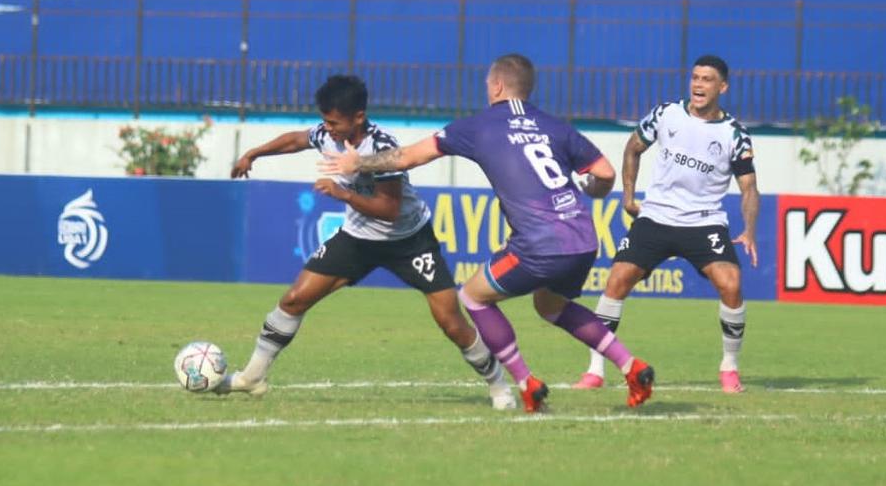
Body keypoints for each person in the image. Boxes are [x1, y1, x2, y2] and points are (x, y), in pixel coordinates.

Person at [321, 53, 655, 413]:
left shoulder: (477, 126)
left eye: (487, 85)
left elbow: (405, 158)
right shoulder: (556, 126)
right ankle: (631, 366)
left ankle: (527, 384)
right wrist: (591, 190)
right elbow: (604, 174)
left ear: (496, 86)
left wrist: (359, 163)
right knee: (550, 306)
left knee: (473, 297)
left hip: (540, 244)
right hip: (583, 240)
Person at [217, 74, 517, 410]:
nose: (327, 128)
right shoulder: (327, 135)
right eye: (324, 121)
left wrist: (341, 193)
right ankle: (252, 377)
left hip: (409, 242)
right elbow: (295, 140)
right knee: (294, 300)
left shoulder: (382, 148)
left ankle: (499, 386)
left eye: (334, 122)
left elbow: (388, 210)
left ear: (358, 117)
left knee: (451, 322)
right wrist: (254, 153)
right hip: (357, 239)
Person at [573, 55, 760, 394]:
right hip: (656, 216)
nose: (698, 85)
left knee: (731, 284)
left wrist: (749, 229)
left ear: (722, 87)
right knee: (617, 280)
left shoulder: (735, 135)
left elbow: (749, 187)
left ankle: (729, 367)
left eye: (707, 79)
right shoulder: (665, 114)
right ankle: (595, 370)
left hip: (703, 221)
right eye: (695, 78)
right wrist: (628, 197)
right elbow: (632, 148)